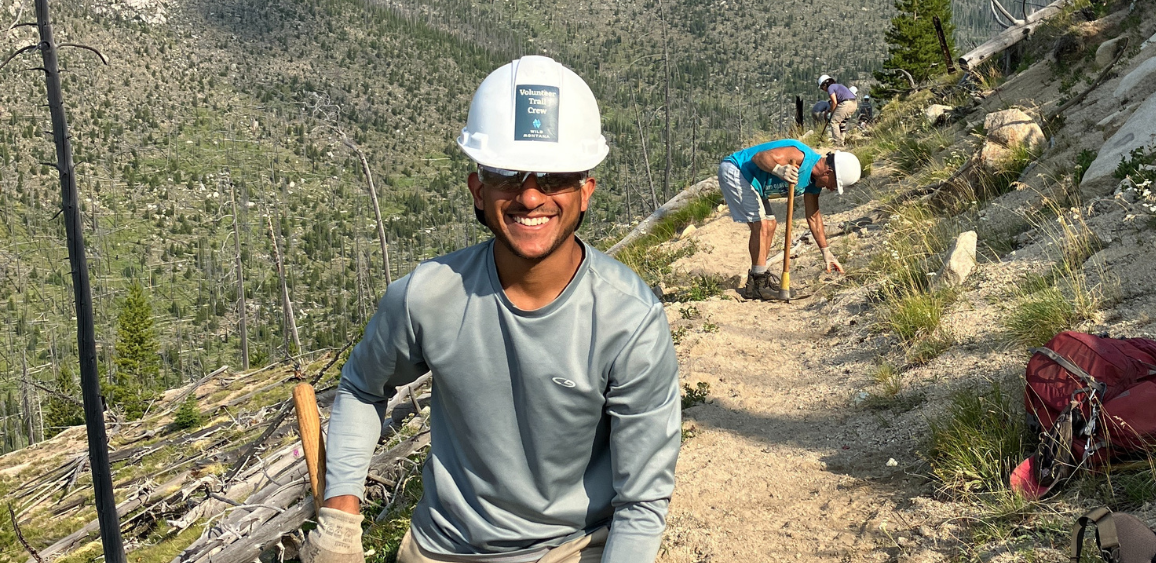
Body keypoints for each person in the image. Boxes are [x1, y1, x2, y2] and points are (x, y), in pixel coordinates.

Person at [302, 56, 680, 563]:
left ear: (585, 191)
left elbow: (641, 503)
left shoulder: (629, 321)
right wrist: (340, 520)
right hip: (440, 550)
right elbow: (364, 386)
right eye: (506, 173)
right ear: (477, 189)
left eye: (554, 176)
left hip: (568, 549)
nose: (529, 195)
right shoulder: (426, 296)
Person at [716, 139, 862, 300]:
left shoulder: (814, 183)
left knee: (770, 225)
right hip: (737, 171)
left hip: (755, 184)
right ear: (828, 172)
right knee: (762, 225)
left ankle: (757, 281)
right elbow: (759, 157)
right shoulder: (799, 155)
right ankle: (759, 282)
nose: (832, 189)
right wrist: (778, 169)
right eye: (835, 185)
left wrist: (826, 251)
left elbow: (813, 216)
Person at [818, 74, 859, 148]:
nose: (823, 89)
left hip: (846, 104)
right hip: (854, 104)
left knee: (834, 122)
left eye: (822, 87)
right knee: (842, 123)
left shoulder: (830, 88)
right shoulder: (838, 86)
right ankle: (841, 142)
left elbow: (834, 102)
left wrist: (829, 111)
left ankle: (837, 144)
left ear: (825, 84)